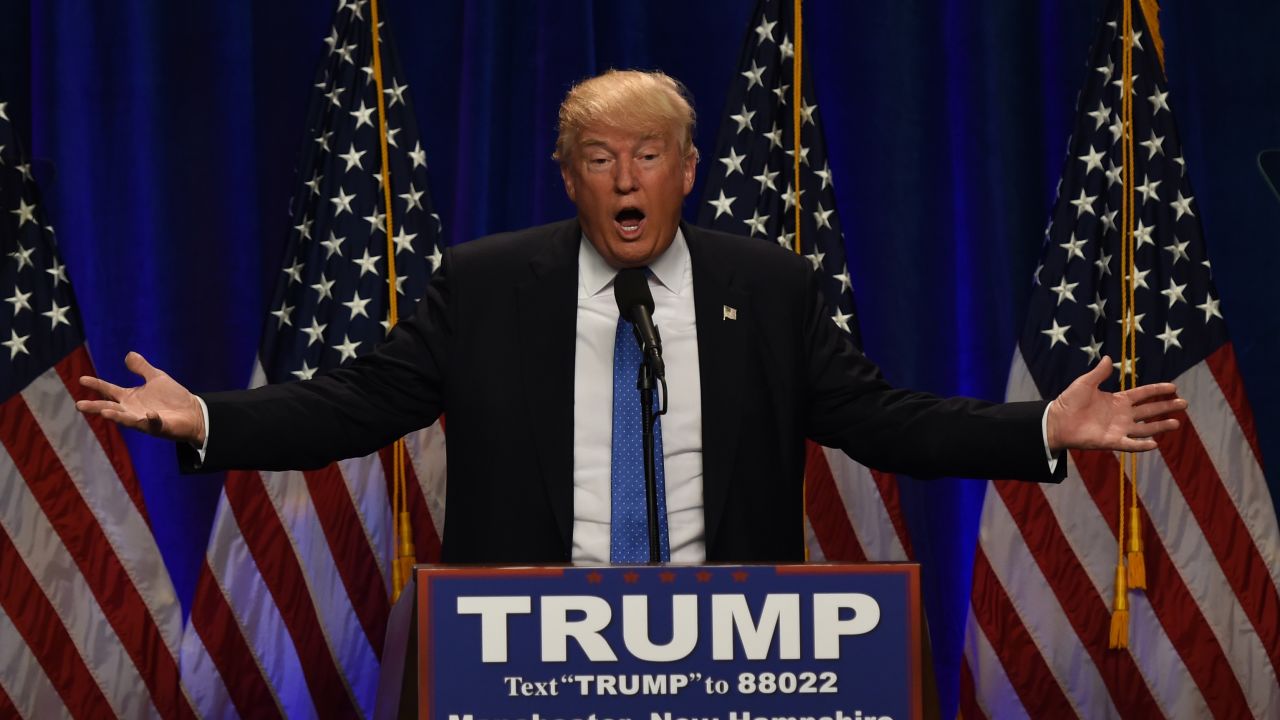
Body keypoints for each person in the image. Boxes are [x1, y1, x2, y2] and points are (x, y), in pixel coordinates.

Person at [77, 69, 1185, 565]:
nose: (625, 177)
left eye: (647, 156)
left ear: (686, 171)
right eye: (599, 158)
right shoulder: (486, 284)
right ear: (568, 177)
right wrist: (209, 420)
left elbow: (881, 420)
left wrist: (1040, 431)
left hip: (728, 642)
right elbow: (355, 404)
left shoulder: (770, 286)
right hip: (529, 644)